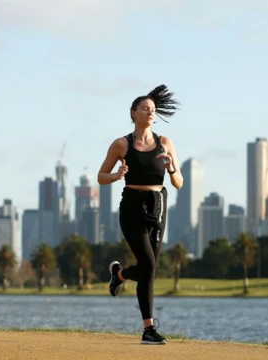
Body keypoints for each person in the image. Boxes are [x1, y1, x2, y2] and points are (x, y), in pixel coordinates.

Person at [97, 84, 183, 345]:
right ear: (133, 113)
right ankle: (148, 329)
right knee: (149, 264)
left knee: (149, 268)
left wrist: (170, 168)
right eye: (145, 108)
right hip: (132, 206)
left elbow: (179, 182)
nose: (150, 112)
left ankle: (119, 275)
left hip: (158, 204)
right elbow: (101, 177)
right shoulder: (122, 144)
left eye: (153, 109)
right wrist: (117, 175)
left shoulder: (165, 143)